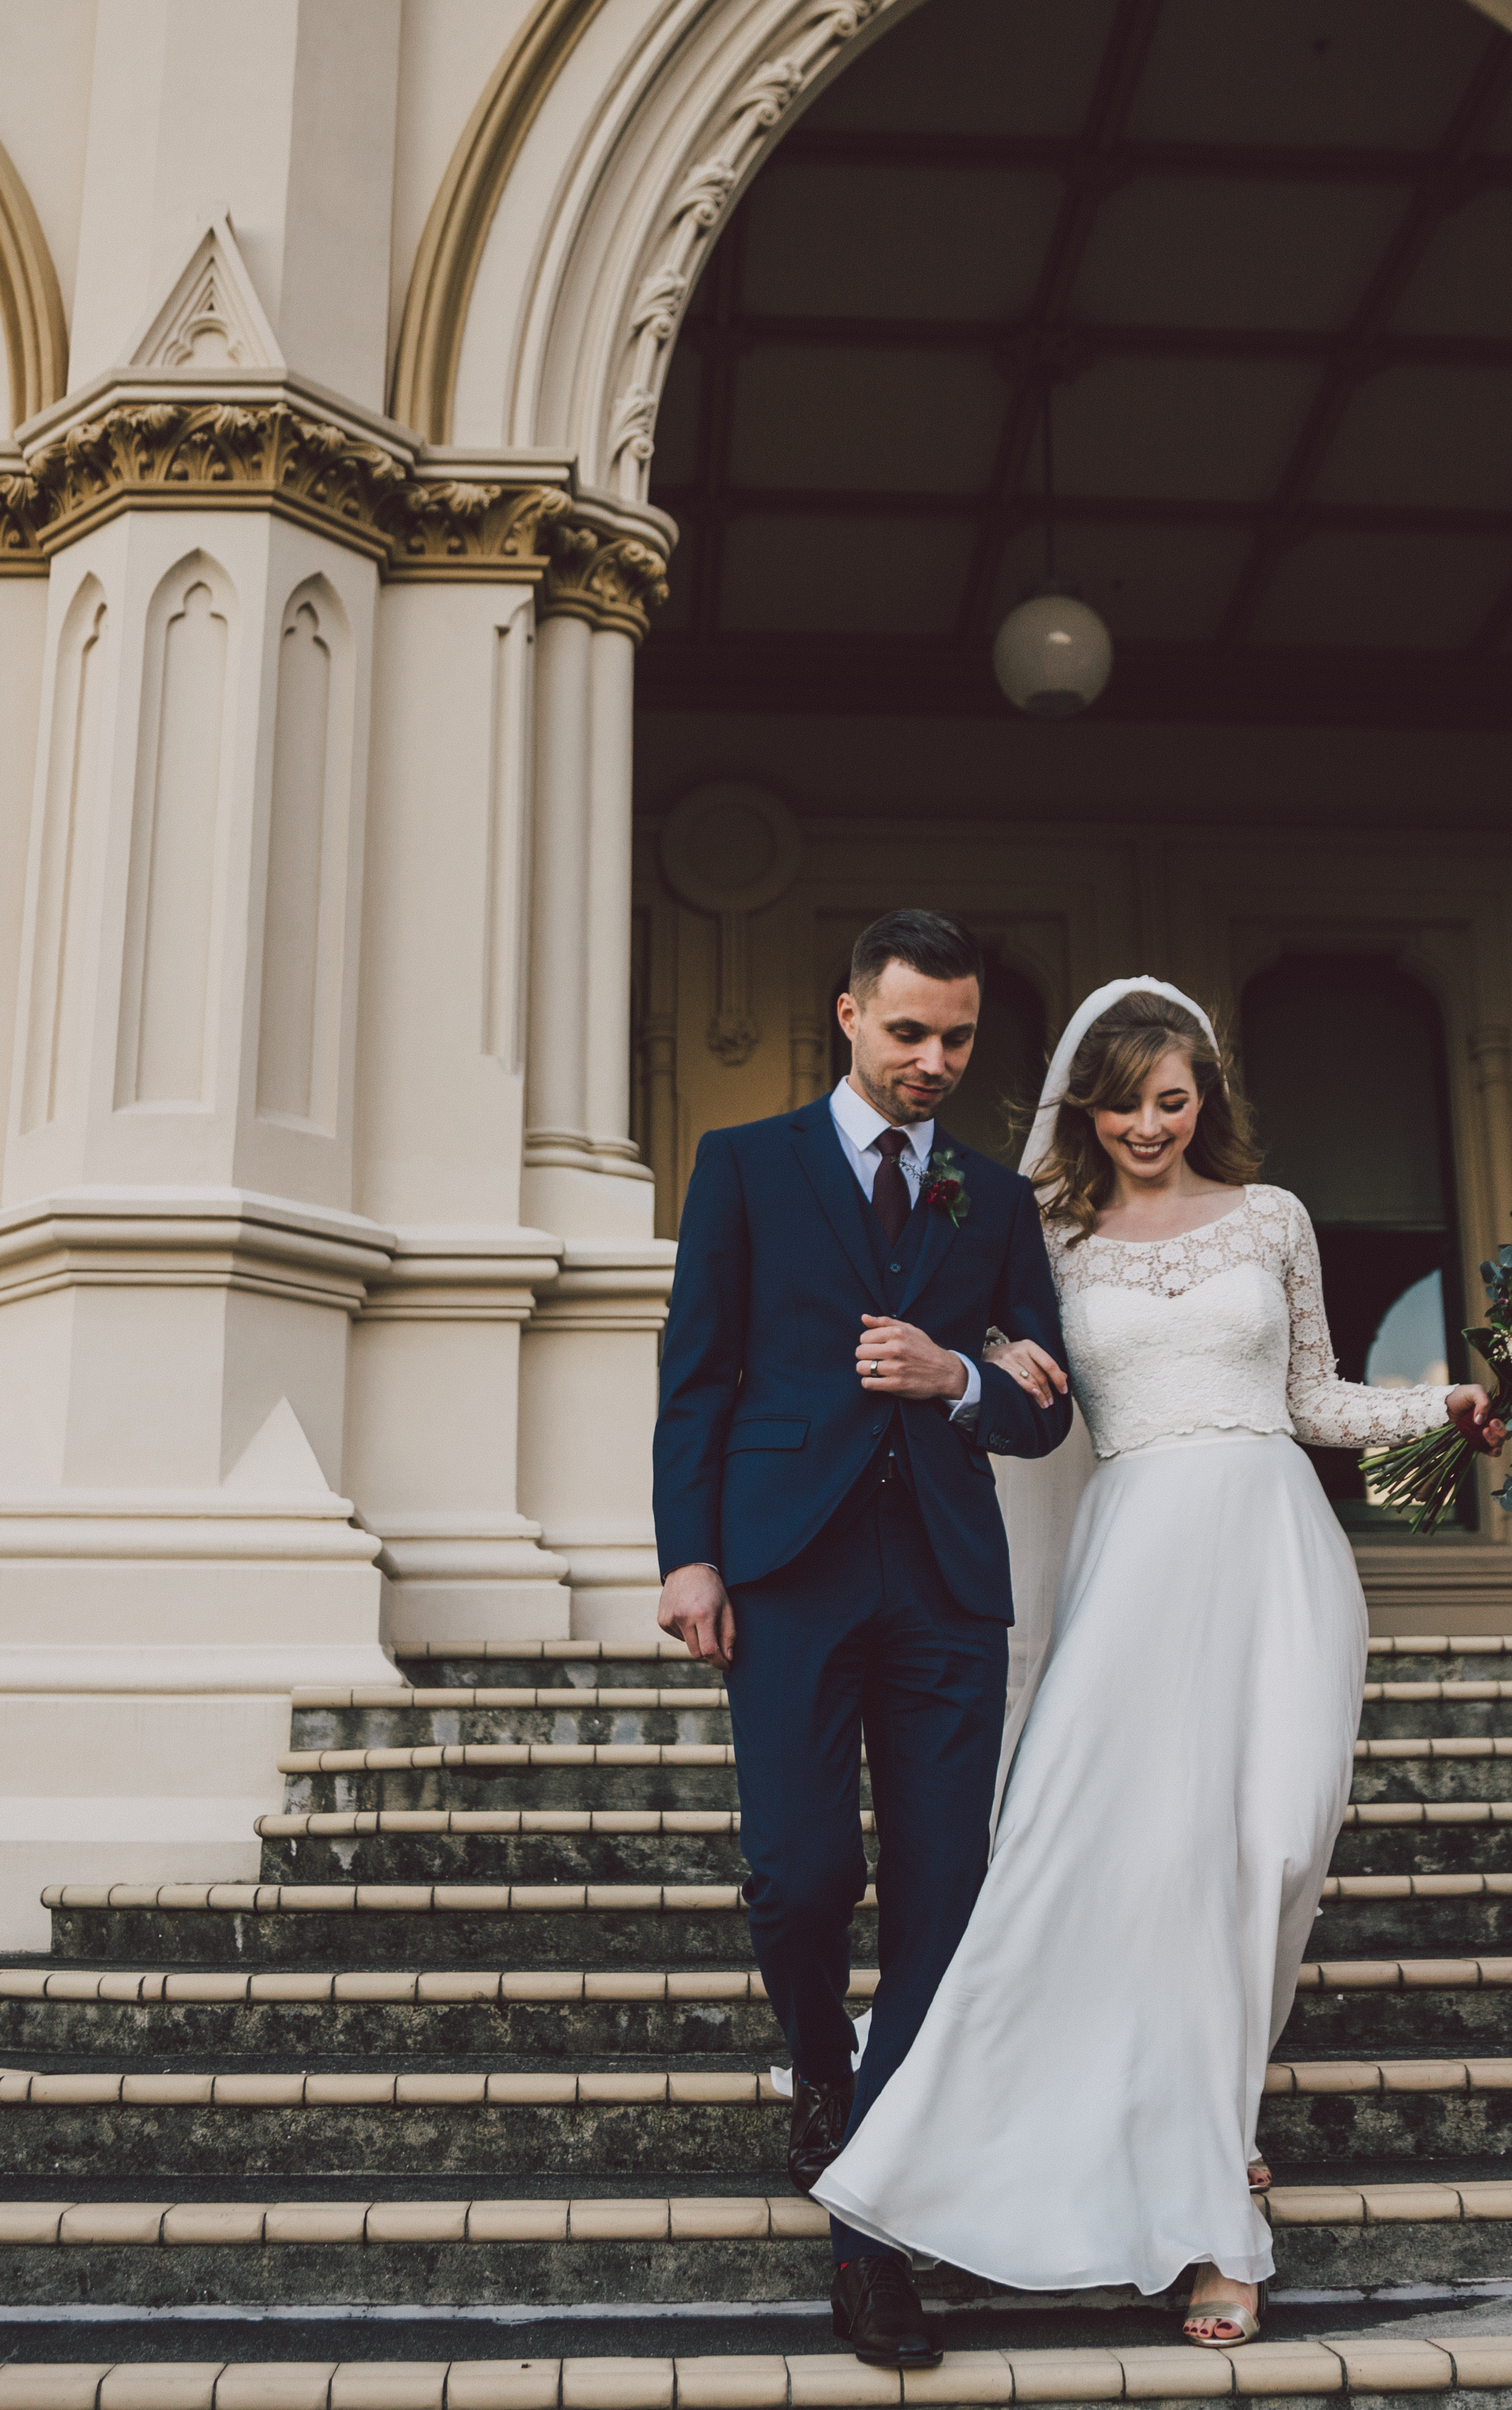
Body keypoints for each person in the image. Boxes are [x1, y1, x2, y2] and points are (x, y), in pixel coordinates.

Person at [807, 977, 1501, 2346]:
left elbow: (1312, 1397)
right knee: (1146, 1863)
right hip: (1135, 1557)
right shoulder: (1042, 1234)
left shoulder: (1275, 1218)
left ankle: (1212, 2122)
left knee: (1275, 1846)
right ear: (1086, 1107)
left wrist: (1440, 1409)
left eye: (1170, 1100)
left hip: (1277, 1548)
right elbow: (1011, 1401)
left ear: (1207, 1098)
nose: (1145, 1124)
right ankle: (1212, 2216)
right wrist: (980, 1357)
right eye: (1121, 1103)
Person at [650, 908, 1076, 2371]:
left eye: (957, 1037)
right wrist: (689, 1554)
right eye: (909, 1033)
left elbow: (1043, 1397)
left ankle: (871, 2238)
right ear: (848, 1015)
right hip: (785, 1564)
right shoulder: (744, 1165)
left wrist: (959, 1375)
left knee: (942, 1903)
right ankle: (821, 2067)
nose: (935, 1061)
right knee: (803, 1872)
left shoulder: (996, 1202)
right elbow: (695, 1369)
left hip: (949, 1579)